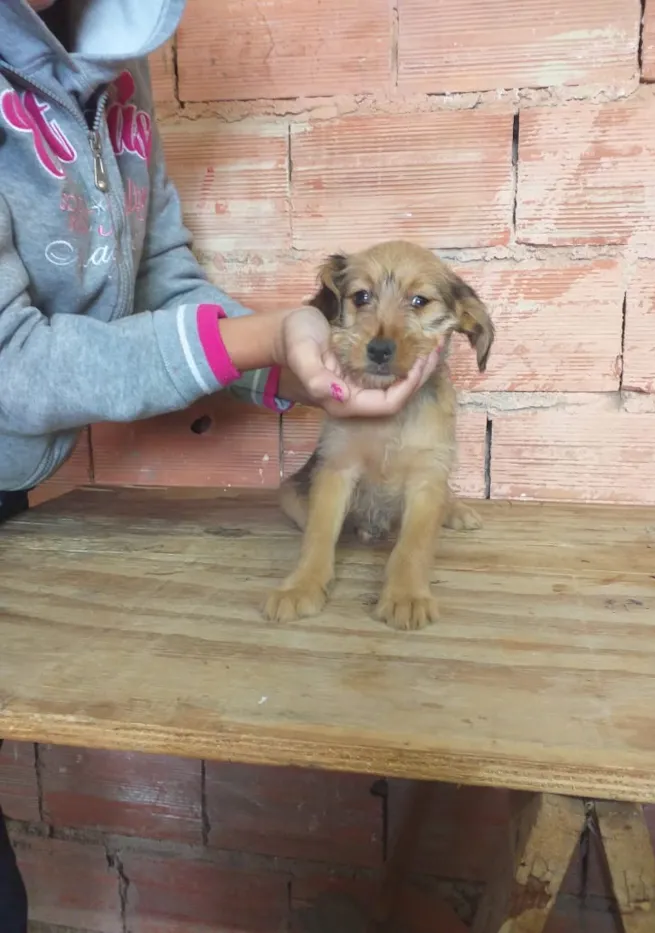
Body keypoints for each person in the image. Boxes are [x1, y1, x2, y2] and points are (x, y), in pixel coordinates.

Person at [0, 0, 441, 927]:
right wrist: (256, 339)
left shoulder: (116, 50)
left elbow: (160, 274)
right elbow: (12, 363)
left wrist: (291, 359)